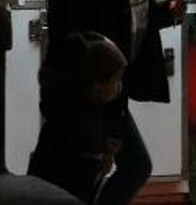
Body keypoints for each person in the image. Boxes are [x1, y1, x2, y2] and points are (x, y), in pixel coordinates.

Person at [43, 0, 185, 205]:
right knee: (96, 172)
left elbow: (132, 15)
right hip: (82, 92)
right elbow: (74, 34)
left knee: (111, 170)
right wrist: (98, 107)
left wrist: (167, 13)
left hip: (111, 88)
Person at [28, 32, 128, 203]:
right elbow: (81, 179)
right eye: (116, 80)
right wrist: (101, 165)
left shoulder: (67, 110)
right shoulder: (84, 123)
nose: (120, 87)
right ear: (98, 85)